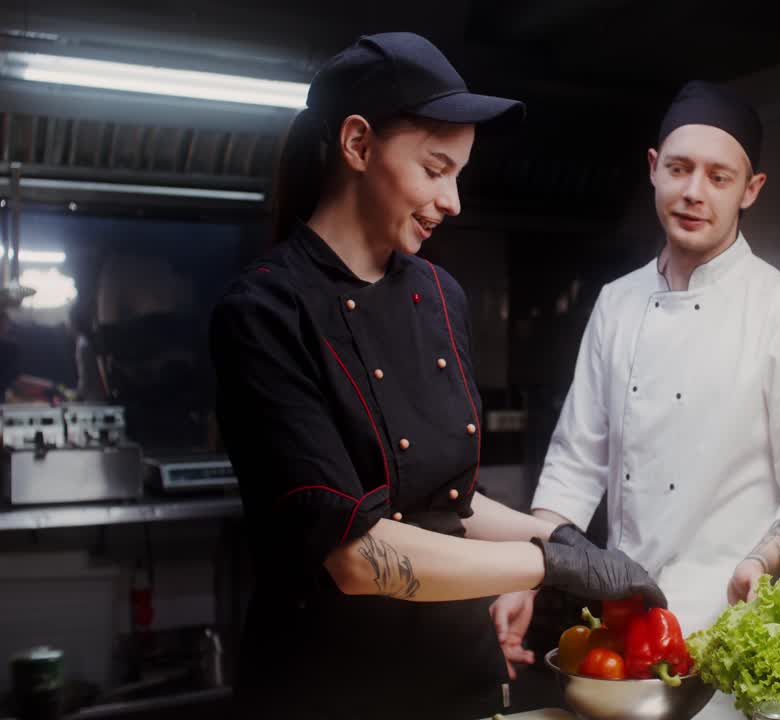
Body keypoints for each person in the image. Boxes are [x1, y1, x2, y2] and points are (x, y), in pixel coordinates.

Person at [209, 33, 664, 720]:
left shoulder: (439, 295)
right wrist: (551, 566)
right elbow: (353, 555)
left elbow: (450, 501)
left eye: (458, 174)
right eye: (434, 169)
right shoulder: (265, 312)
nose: (452, 201)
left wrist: (554, 537)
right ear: (358, 145)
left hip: (458, 678)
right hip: (330, 689)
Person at [491, 81, 780, 716]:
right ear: (654, 168)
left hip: (730, 626)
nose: (694, 192)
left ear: (750, 190)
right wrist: (525, 572)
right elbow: (576, 460)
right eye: (680, 169)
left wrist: (760, 559)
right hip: (627, 628)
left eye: (719, 177)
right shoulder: (616, 303)